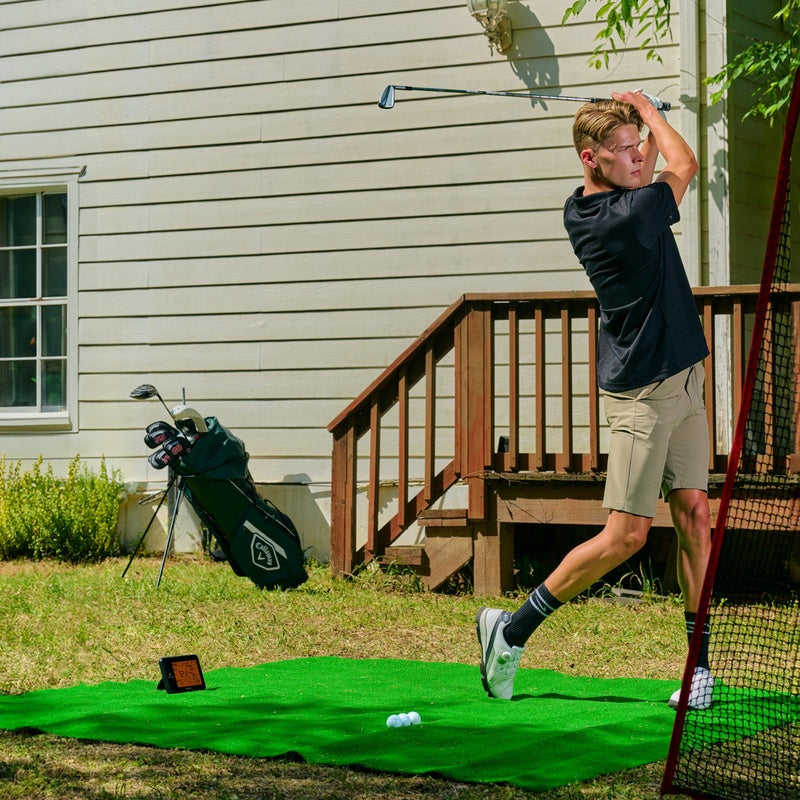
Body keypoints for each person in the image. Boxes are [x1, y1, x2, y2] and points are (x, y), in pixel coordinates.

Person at [476, 90, 715, 710]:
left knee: (694, 517)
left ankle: (698, 670)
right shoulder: (625, 215)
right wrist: (651, 110)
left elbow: (661, 167)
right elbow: (685, 165)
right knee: (627, 536)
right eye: (627, 152)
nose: (641, 158)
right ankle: (512, 629)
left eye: (640, 149)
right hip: (642, 392)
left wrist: (632, 122)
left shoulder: (590, 203)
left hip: (686, 378)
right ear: (591, 159)